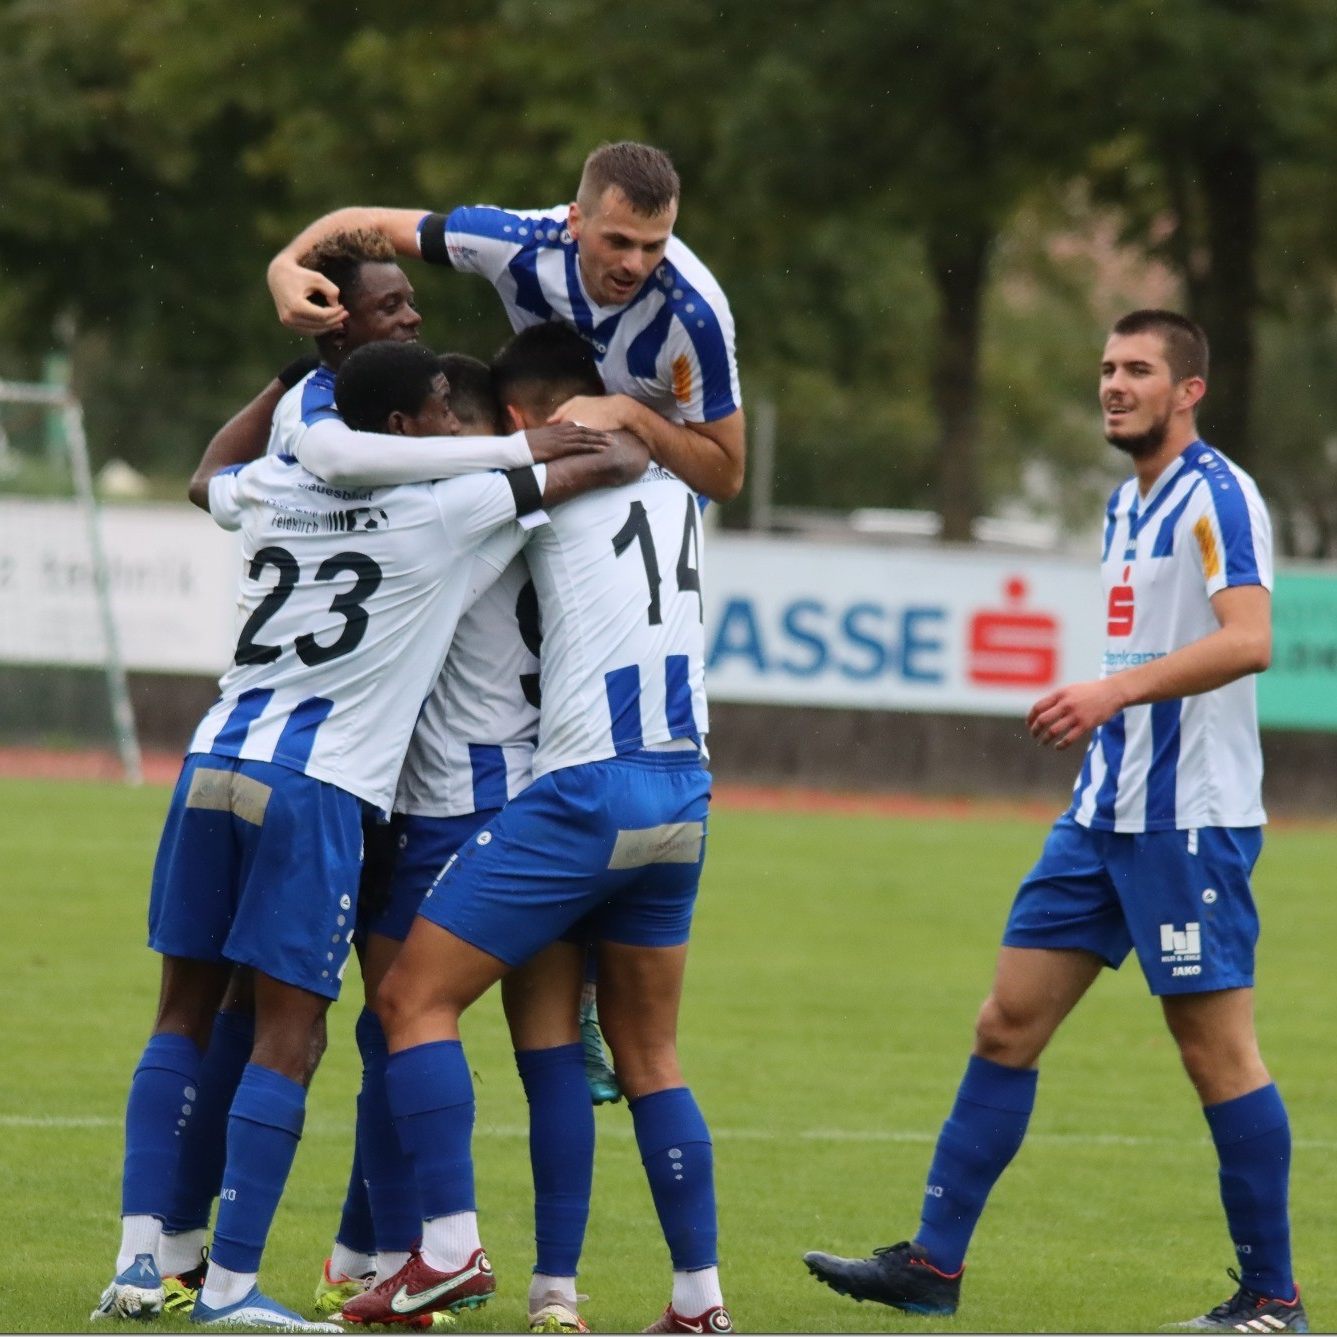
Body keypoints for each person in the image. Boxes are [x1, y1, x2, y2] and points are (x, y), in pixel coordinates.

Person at [91, 339, 638, 1332]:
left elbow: (207, 476)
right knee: (299, 1032)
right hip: (323, 786)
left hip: (213, 758)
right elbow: (601, 465)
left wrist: (285, 375)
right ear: (400, 428)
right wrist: (556, 437)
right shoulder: (441, 506)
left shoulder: (278, 480)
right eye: (439, 409)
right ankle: (233, 1289)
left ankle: (143, 1259)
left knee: (185, 1014)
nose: (451, 422)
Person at [803, 310, 1306, 1334]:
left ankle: (1272, 1298)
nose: (1113, 384)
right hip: (1101, 811)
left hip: (1185, 821)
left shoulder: (1217, 495)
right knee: (1005, 1021)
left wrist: (1110, 693)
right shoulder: (1125, 503)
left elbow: (1249, 638)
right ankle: (930, 1264)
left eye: (1138, 369)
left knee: (1215, 1052)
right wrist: (1110, 710)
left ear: (1188, 390)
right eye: (1107, 367)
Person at [328, 324, 732, 1335]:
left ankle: (447, 1251)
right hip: (683, 790)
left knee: (407, 999)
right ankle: (692, 1298)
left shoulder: (538, 487)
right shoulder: (679, 489)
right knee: (648, 1054)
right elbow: (655, 451)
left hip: (581, 791)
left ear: (521, 418)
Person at [264, 139, 745, 505]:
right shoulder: (518, 244)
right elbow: (368, 222)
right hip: (544, 466)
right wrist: (284, 267)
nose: (635, 265)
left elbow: (727, 476)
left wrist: (628, 413)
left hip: (652, 496)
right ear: (575, 222)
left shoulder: (694, 315)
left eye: (654, 245)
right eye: (618, 241)